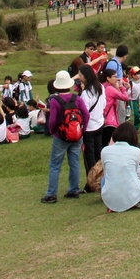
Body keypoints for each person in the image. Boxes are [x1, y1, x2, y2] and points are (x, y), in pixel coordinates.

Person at [42, 70, 89, 203]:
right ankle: (74, 189)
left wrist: (53, 131)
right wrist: (82, 129)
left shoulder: (55, 101)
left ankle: (51, 194)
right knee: (74, 162)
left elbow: (52, 121)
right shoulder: (77, 98)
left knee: (55, 165)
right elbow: (86, 114)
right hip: (77, 135)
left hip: (60, 136)